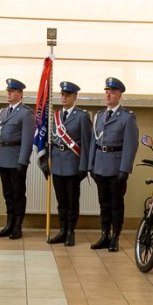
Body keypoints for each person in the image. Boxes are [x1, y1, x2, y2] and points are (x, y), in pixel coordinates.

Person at [87, 77, 138, 252]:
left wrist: (125, 169)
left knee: (116, 205)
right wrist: (91, 165)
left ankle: (115, 237)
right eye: (107, 92)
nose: (108, 95)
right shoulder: (99, 116)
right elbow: (94, 142)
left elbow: (131, 145)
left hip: (116, 169)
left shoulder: (127, 117)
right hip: (100, 166)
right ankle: (104, 235)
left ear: (120, 95)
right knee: (104, 204)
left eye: (112, 92)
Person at [43, 81, 91, 247]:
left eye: (67, 95)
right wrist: (45, 160)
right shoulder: (55, 116)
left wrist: (84, 166)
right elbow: (50, 141)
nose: (63, 97)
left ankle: (71, 232)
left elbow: (86, 143)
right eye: (62, 94)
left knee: (72, 202)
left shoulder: (82, 116)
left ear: (74, 97)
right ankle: (62, 231)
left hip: (73, 164)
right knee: (61, 201)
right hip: (57, 163)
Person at [0, 78, 34, 239]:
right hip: (3, 158)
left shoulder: (25, 113)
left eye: (12, 91)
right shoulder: (2, 112)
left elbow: (27, 140)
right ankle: (9, 224)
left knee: (18, 194)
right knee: (7, 194)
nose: (8, 93)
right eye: (8, 91)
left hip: (16, 160)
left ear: (20, 94)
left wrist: (23, 161)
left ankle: (17, 226)